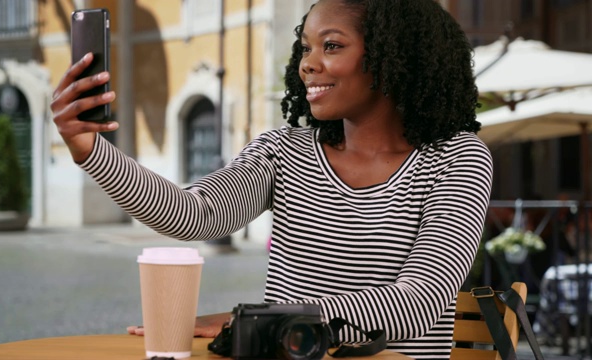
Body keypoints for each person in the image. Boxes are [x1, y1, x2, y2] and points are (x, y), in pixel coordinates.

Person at [51, 0, 493, 358]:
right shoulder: (284, 150)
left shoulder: (455, 157)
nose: (308, 64)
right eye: (306, 48)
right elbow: (194, 215)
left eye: (332, 46)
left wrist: (266, 321)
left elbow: (422, 298)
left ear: (391, 54)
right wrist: (90, 151)